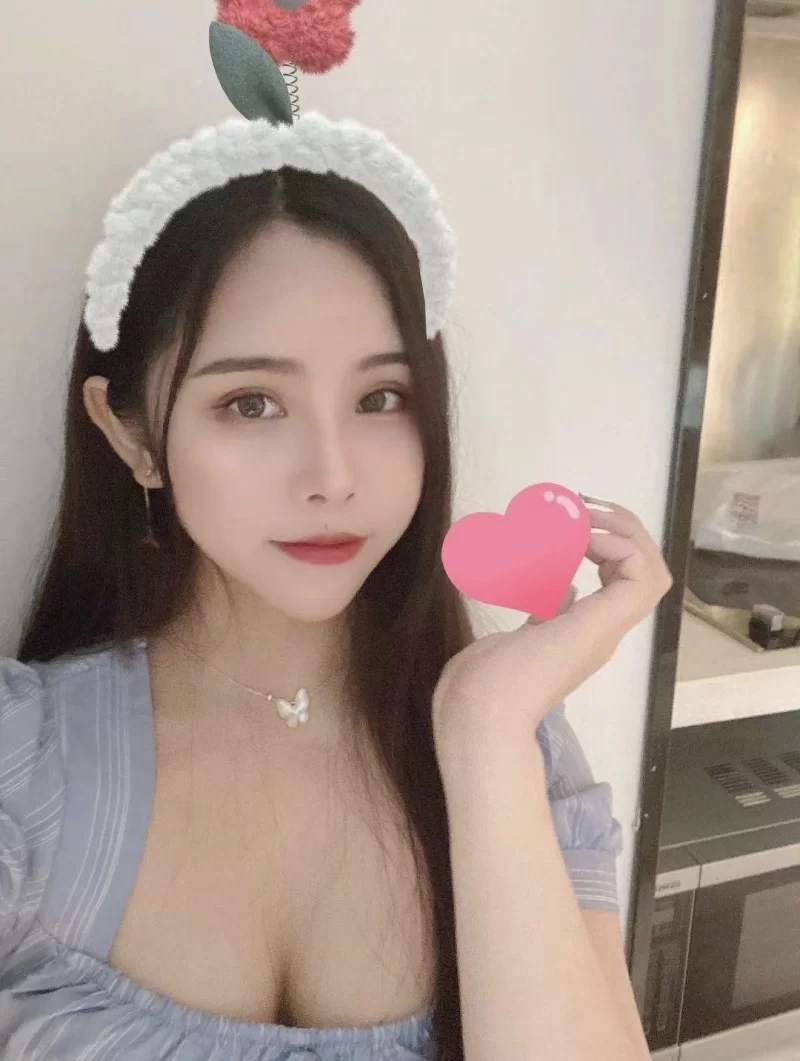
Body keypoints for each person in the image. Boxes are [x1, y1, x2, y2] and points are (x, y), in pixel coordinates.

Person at [0, 21, 672, 1061]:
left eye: (380, 397)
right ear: (130, 434)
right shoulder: (25, 764)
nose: (333, 475)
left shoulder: (517, 747)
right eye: (252, 403)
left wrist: (481, 731)